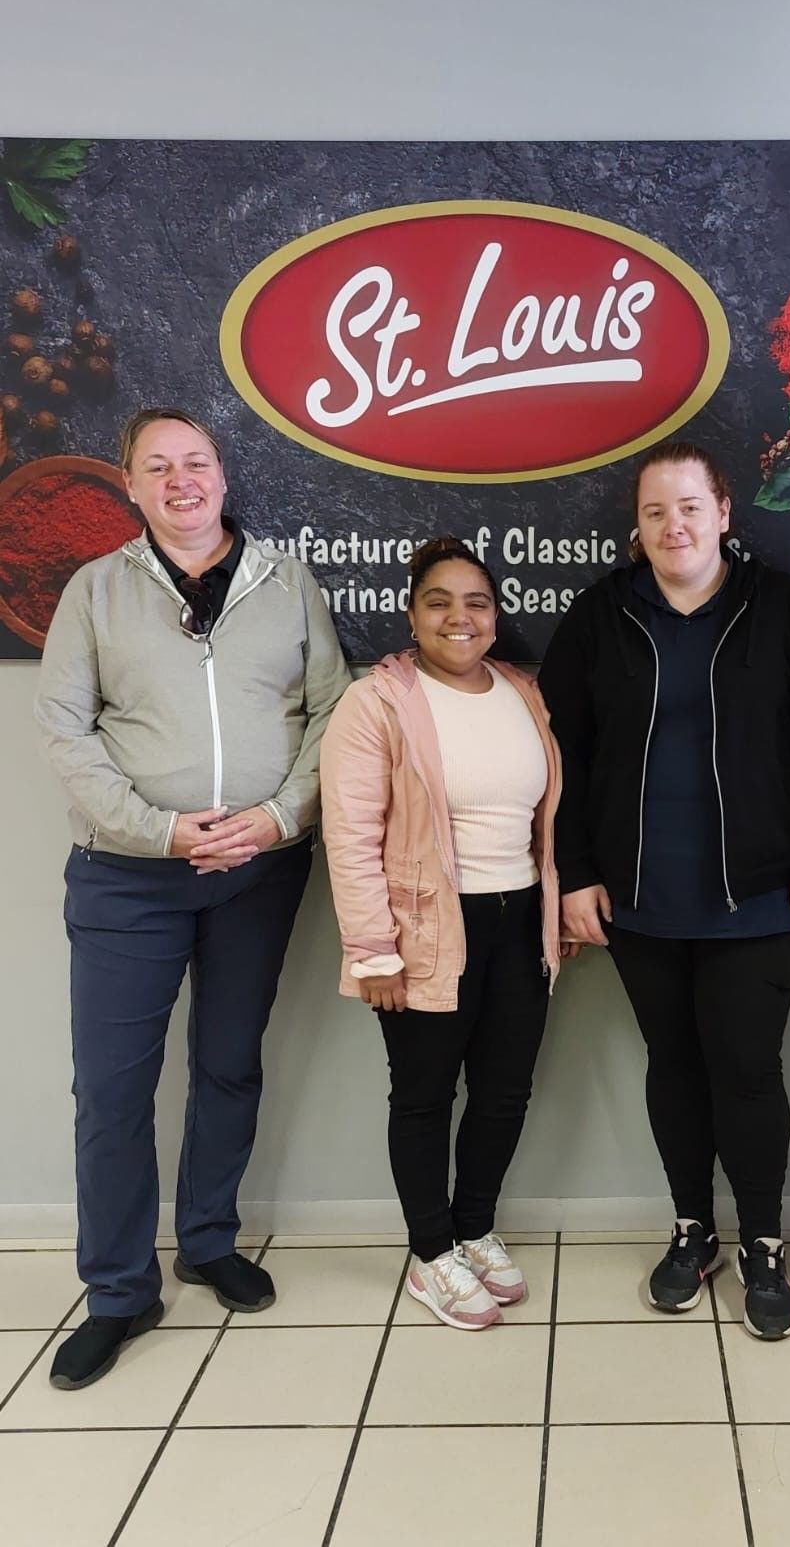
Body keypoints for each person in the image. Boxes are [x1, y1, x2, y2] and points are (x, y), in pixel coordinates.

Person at [35, 407, 350, 1390]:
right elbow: (66, 731)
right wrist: (160, 829)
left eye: (197, 462)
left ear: (222, 475)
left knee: (227, 1065)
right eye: (159, 466)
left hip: (258, 873)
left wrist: (279, 818)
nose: (182, 480)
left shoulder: (287, 583)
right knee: (112, 1092)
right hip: (128, 878)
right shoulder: (95, 590)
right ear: (130, 484)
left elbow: (333, 710)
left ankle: (209, 1239)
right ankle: (119, 1291)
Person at [539, 440, 790, 1341]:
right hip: (639, 899)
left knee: (748, 1072)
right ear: (636, 528)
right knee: (673, 1067)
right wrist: (576, 872)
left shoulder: (781, 607)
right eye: (654, 512)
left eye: (688, 506)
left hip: (758, 896)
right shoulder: (602, 615)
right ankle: (693, 1231)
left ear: (723, 512)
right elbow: (562, 755)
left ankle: (763, 1244)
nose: (673, 525)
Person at [319, 537, 563, 1331]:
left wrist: (555, 912)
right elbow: (350, 834)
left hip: (518, 920)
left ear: (495, 615)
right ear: (411, 614)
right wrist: (373, 950)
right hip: (425, 930)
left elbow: (543, 819)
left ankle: (473, 1227)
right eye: (439, 601)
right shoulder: (376, 703)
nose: (460, 617)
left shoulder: (523, 691)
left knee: (504, 1089)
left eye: (477, 602)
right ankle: (431, 1252)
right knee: (424, 1095)